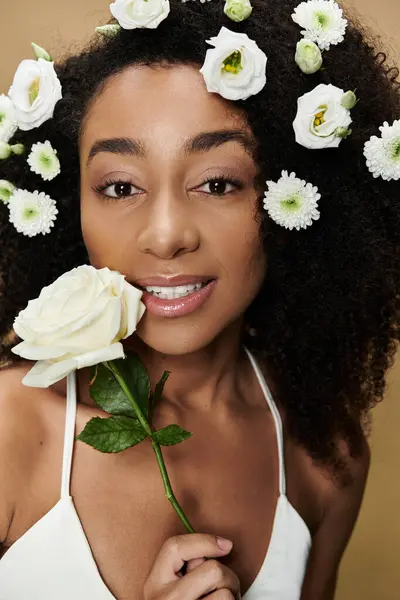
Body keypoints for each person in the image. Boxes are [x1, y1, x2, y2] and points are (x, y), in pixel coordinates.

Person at [0, 0, 399, 598]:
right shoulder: (9, 426)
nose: (166, 235)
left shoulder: (325, 461)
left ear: (293, 203)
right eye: (119, 187)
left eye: (218, 183)